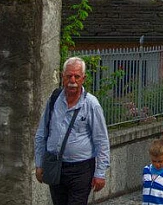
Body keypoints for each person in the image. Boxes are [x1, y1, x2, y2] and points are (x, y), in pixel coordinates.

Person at [33, 57, 111, 205]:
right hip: (56, 165)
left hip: (81, 169)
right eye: (69, 76)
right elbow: (41, 133)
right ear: (62, 77)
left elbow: (101, 140)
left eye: (77, 76)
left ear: (83, 79)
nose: (72, 80)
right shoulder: (54, 99)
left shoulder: (91, 104)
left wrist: (100, 173)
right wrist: (39, 163)